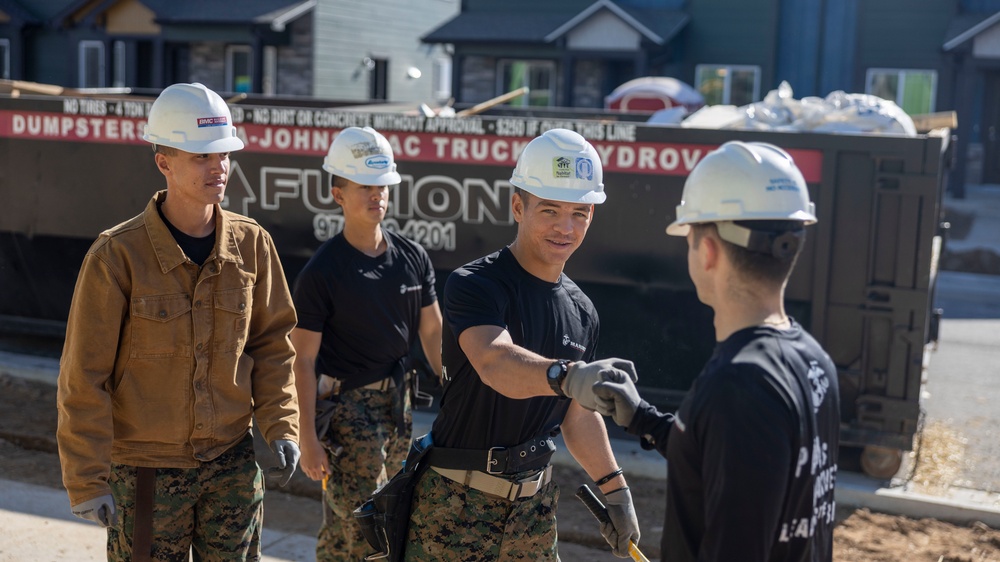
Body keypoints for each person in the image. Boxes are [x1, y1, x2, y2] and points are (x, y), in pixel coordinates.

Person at [56, 82, 301, 562]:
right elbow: (83, 374)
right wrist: (87, 479)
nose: (219, 167)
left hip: (231, 463)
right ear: (163, 161)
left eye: (224, 154)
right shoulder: (117, 256)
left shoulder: (251, 246)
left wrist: (281, 425)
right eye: (201, 156)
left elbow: (273, 345)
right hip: (148, 471)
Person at [582, 141, 841, 561]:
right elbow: (732, 459)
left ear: (707, 251)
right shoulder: (814, 361)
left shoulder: (740, 387)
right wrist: (643, 418)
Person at [402, 128, 641, 560]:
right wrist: (568, 376)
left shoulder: (582, 310)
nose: (565, 227)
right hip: (454, 508)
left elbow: (577, 416)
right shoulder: (476, 284)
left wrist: (616, 488)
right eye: (550, 210)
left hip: (534, 512)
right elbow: (495, 363)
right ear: (518, 206)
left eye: (579, 213)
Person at [291, 126, 444, 561]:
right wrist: (307, 439)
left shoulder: (413, 257)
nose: (376, 195)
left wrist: (455, 392)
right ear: (338, 195)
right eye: (364, 187)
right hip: (347, 410)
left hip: (399, 406)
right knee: (368, 525)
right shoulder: (324, 271)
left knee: (362, 526)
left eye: (382, 186)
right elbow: (302, 360)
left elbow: (433, 333)